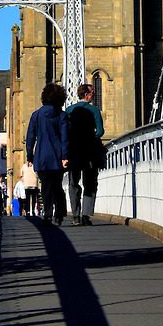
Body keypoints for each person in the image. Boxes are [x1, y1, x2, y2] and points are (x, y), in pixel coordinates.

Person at [25, 82, 69, 225]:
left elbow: (30, 137)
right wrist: (65, 156)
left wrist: (29, 156)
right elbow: (65, 137)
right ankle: (60, 212)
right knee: (57, 185)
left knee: (45, 186)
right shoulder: (62, 115)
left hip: (42, 156)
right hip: (57, 156)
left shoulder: (36, 115)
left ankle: (48, 214)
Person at [66, 82, 105, 225]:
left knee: (73, 183)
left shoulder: (69, 110)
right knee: (90, 183)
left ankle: (75, 215)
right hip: (89, 152)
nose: (94, 95)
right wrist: (91, 138)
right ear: (86, 95)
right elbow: (100, 131)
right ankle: (86, 215)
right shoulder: (94, 110)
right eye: (92, 92)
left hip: (73, 152)